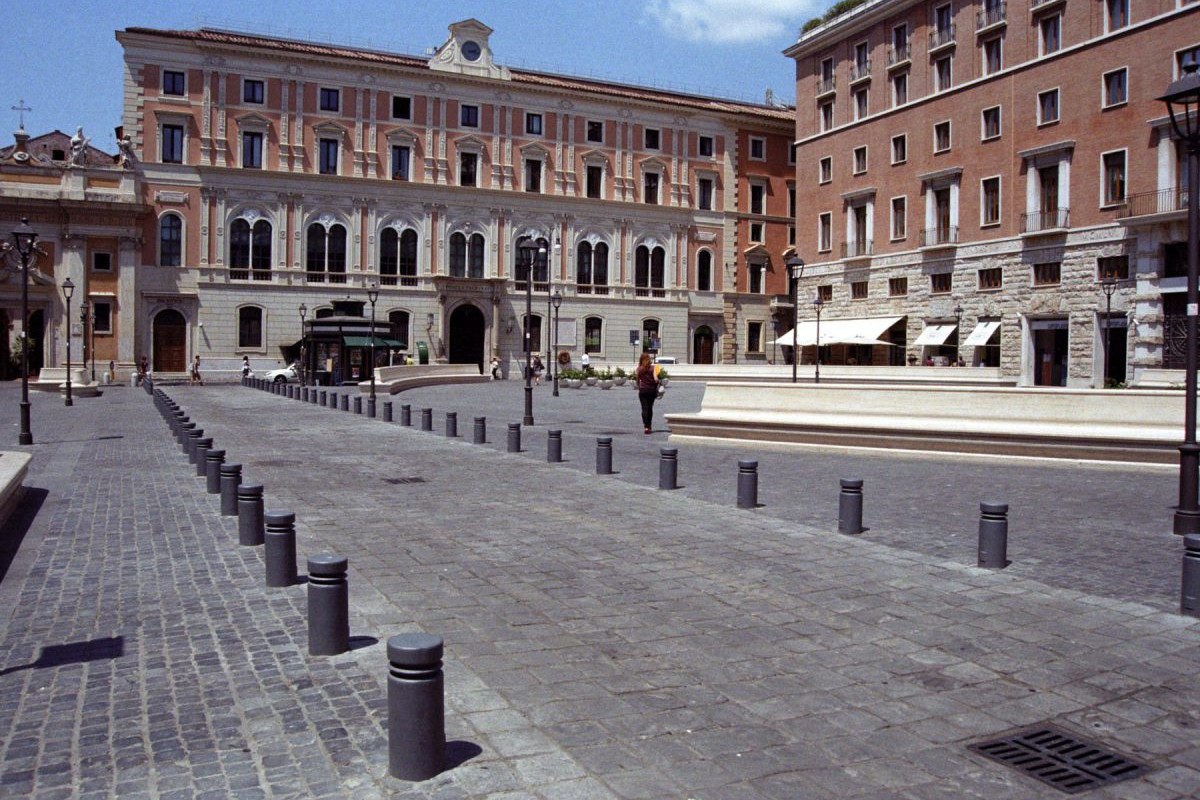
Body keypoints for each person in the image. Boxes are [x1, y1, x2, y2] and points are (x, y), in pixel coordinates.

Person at [636, 353, 661, 434]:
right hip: (651, 390)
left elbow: (637, 380)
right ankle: (649, 426)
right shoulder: (653, 368)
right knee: (650, 408)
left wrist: (639, 386)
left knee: (644, 408)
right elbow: (656, 379)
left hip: (643, 390)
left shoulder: (639, 369)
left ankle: (646, 426)